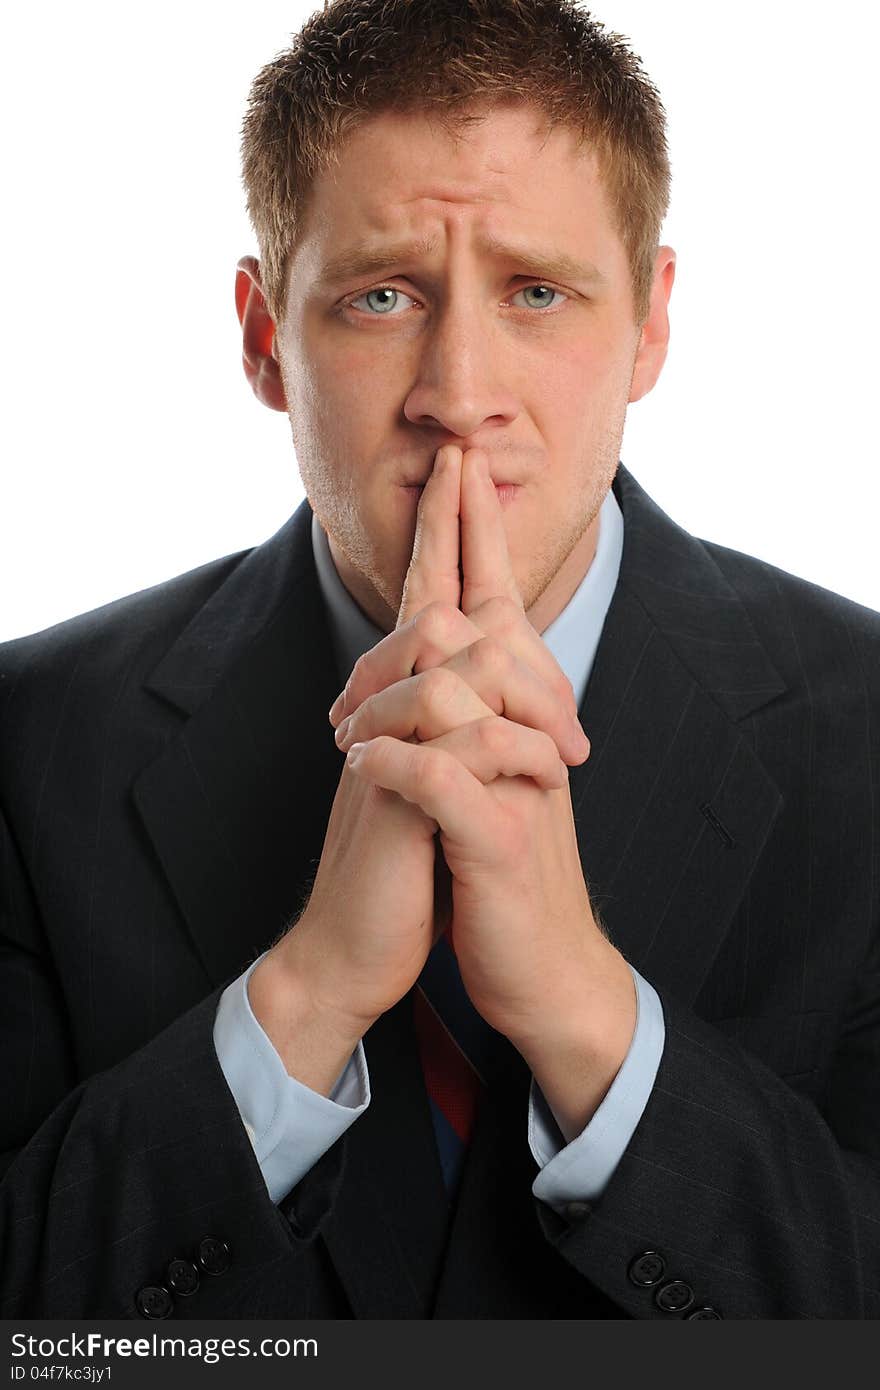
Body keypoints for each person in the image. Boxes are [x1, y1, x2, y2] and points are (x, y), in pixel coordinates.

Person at [1, 0, 878, 1321]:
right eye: (382, 297)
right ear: (262, 339)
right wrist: (303, 1002)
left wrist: (593, 1018)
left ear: (649, 326)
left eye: (539, 291)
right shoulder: (26, 748)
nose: (459, 390)